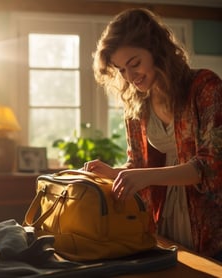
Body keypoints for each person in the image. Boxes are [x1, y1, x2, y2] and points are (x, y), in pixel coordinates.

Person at [84, 8, 222, 260]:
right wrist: (114, 175)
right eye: (121, 69)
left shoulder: (205, 87)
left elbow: (211, 166)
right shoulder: (137, 103)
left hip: (210, 224)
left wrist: (142, 176)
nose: (129, 76)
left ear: (157, 50)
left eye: (134, 63)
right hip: (163, 219)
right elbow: (138, 165)